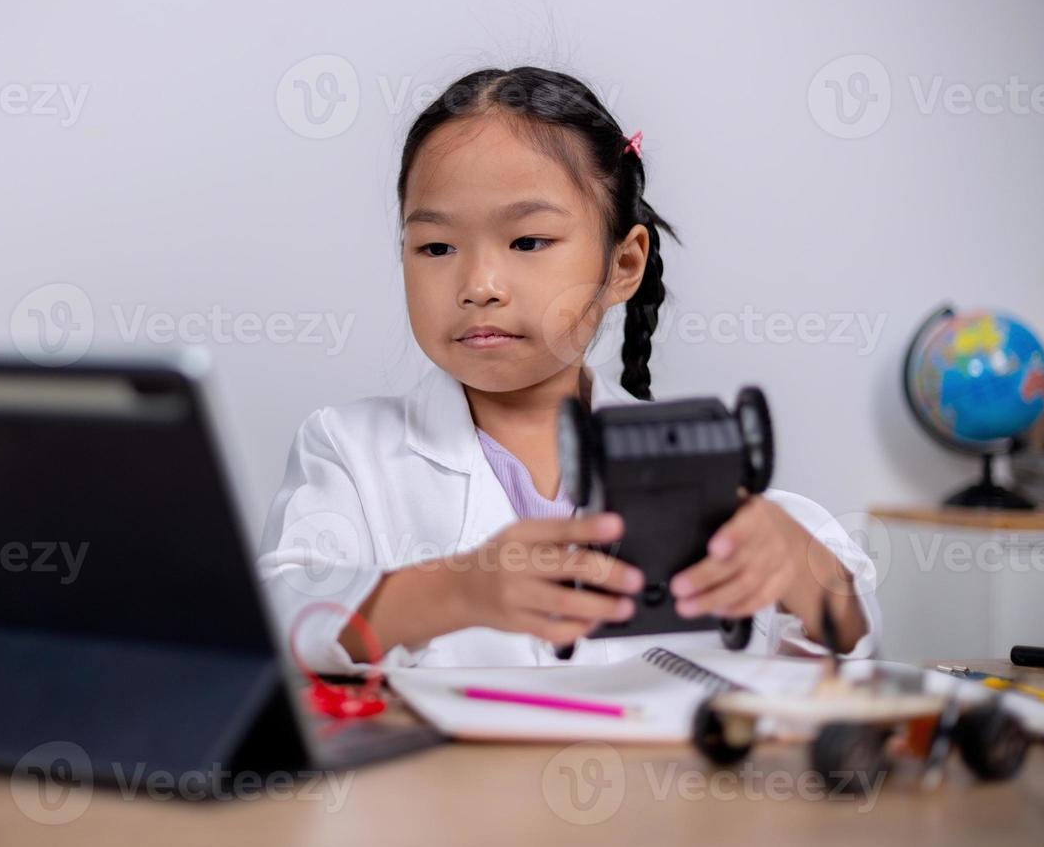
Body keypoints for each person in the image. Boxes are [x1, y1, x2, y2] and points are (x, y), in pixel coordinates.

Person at [259, 66, 880, 672]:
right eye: (436, 247)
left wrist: (799, 570)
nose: (479, 285)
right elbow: (280, 617)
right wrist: (457, 592)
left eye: (528, 242)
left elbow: (851, 639)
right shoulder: (348, 451)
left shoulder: (701, 460)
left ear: (624, 265)